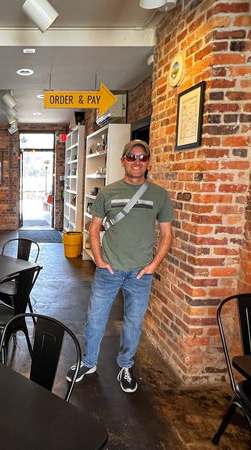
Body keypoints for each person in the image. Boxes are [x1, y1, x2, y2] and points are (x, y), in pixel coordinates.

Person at [66, 139, 174, 393]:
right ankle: (89, 362)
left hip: (140, 273)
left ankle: (125, 365)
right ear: (122, 160)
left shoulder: (159, 195)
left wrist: (153, 266)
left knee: (133, 323)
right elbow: (95, 228)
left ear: (148, 162)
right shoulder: (108, 192)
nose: (138, 162)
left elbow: (167, 235)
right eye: (132, 157)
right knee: (95, 319)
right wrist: (99, 259)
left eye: (143, 157)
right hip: (109, 270)